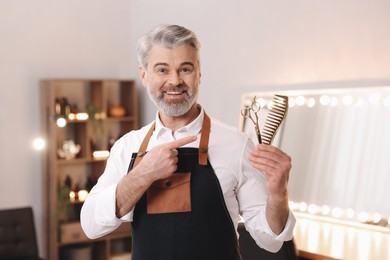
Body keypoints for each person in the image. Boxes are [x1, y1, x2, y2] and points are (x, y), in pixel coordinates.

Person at [81, 24, 295, 260]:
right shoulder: (127, 146)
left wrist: (278, 194)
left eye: (185, 69)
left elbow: (271, 241)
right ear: (144, 75)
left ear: (199, 74)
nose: (174, 81)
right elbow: (91, 225)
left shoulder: (236, 144)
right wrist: (143, 175)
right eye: (162, 70)